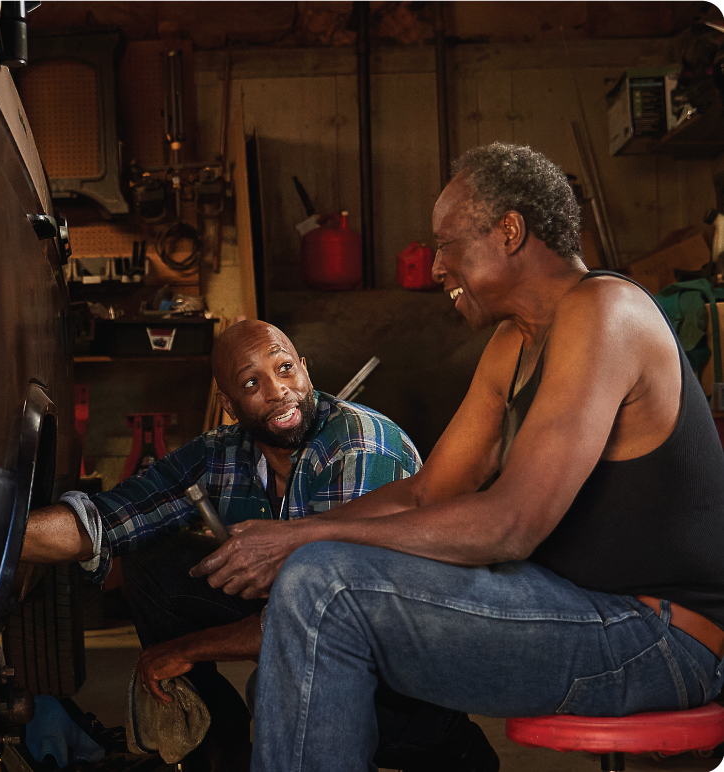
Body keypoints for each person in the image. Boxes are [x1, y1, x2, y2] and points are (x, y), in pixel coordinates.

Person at [192, 143, 724, 772]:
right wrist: (292, 536)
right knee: (317, 581)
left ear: (510, 231)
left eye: (448, 244)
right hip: (574, 603)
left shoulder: (606, 311)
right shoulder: (514, 341)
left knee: (323, 584)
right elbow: (428, 491)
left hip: (658, 636)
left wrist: (300, 543)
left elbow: (509, 525)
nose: (437, 266)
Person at [21, 319, 432, 771]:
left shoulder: (356, 448)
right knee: (156, 564)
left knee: (285, 684)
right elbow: (111, 518)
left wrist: (183, 651)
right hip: (304, 615)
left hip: (398, 647)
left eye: (285, 368)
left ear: (306, 371)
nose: (278, 391)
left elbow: (331, 616)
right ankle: (218, 756)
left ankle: (442, 744)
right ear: (229, 404)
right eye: (252, 382)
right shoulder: (225, 451)